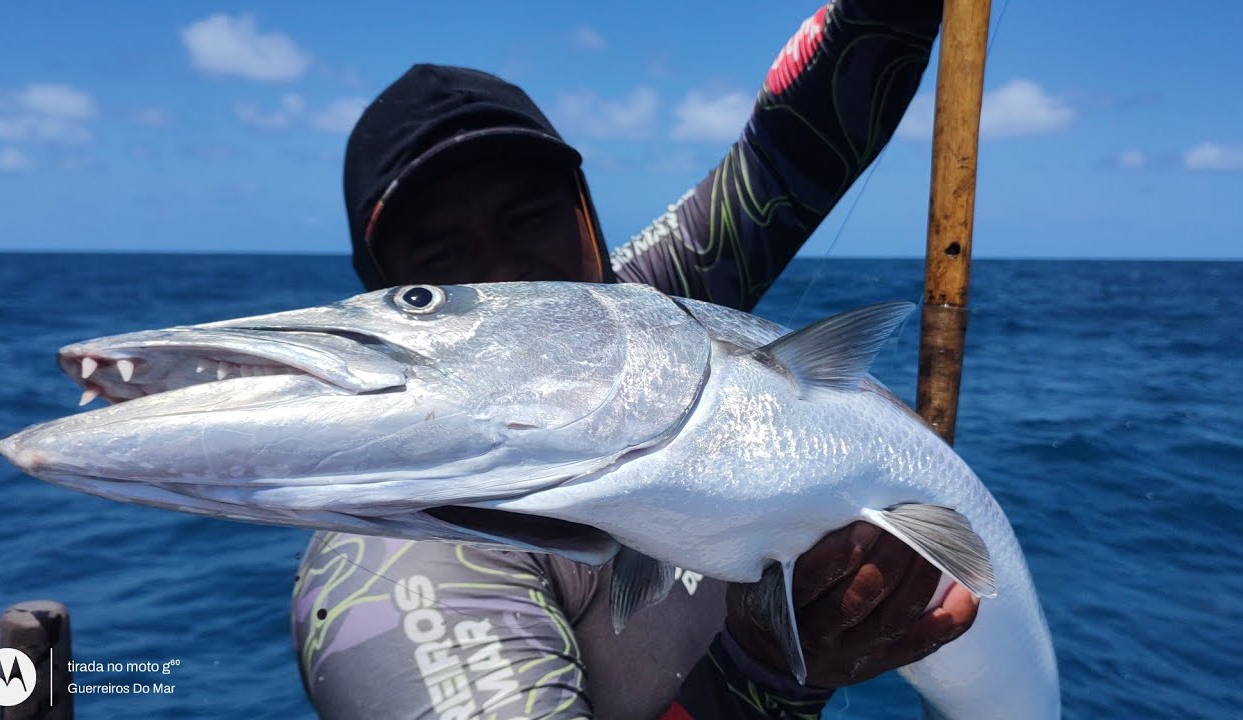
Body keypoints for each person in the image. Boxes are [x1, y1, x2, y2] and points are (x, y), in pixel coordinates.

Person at [291, 1, 977, 717]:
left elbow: (795, 147)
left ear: (587, 218)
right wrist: (766, 674)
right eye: (439, 265)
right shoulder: (397, 554)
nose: (505, 277)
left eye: (529, 217)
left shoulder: (651, 330)